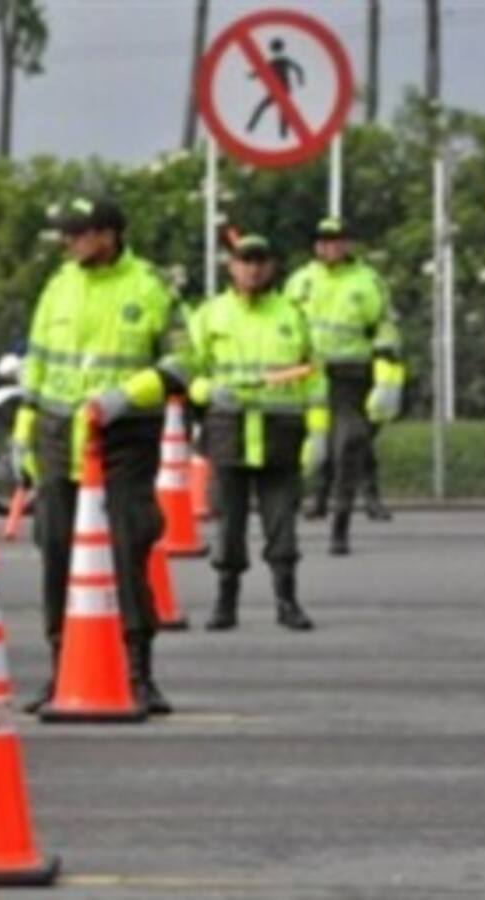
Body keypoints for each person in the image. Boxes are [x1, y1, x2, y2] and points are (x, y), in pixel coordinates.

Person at [11, 195, 192, 717]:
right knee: (57, 551)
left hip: (122, 437)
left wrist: (128, 394)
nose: (68, 243)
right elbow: (37, 364)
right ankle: (64, 666)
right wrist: (24, 433)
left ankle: (138, 673)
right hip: (57, 435)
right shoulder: (59, 285)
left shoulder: (150, 287)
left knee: (125, 547)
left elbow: (183, 362)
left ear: (109, 235)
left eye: (78, 233)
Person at [189, 234, 328, 631]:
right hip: (228, 431)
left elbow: (313, 377)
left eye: (260, 261)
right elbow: (188, 369)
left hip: (281, 433)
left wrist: (318, 433)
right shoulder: (210, 315)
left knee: (282, 521)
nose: (252, 268)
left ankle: (287, 601)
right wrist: (206, 390)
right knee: (228, 521)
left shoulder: (291, 314)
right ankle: (225, 602)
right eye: (244, 260)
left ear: (272, 267)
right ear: (230, 266)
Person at [285, 218, 404, 554]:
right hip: (307, 375)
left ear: (348, 244)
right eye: (323, 240)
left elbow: (386, 325)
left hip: (350, 374)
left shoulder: (367, 281)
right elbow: (282, 324)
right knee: (310, 448)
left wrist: (386, 370)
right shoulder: (300, 281)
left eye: (337, 240)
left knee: (349, 445)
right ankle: (308, 500)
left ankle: (340, 524)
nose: (330, 246)